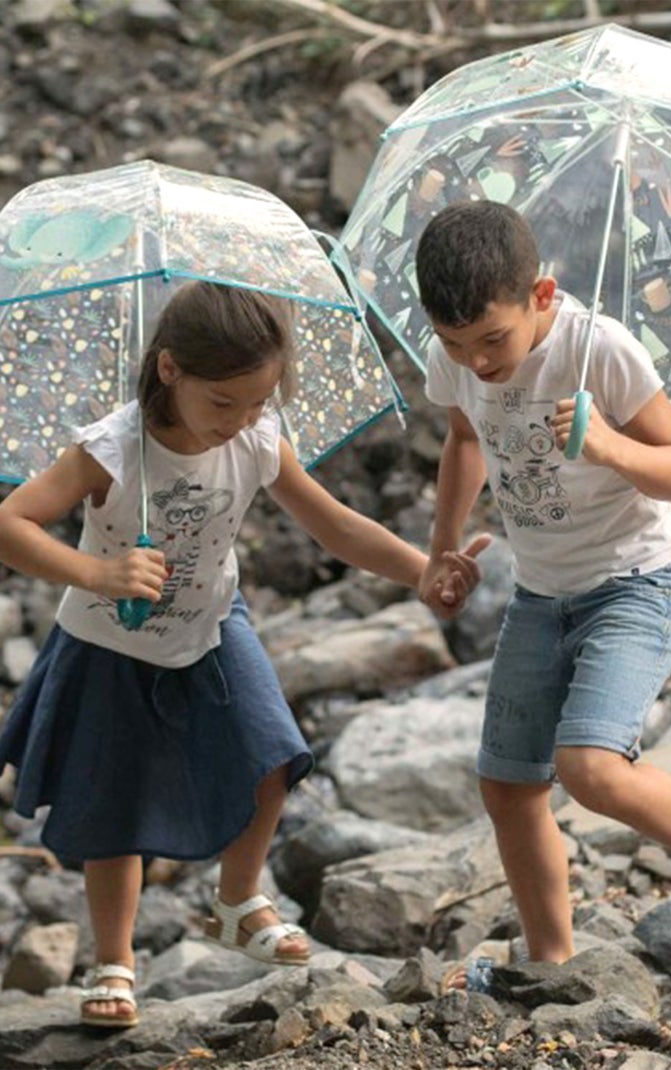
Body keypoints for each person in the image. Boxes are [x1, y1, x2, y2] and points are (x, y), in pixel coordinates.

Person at [0, 280, 487, 1028]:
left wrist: (422, 570)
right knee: (115, 807)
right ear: (170, 371)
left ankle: (236, 899)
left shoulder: (259, 437)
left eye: (258, 403)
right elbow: (12, 524)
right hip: (109, 644)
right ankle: (114, 961)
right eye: (224, 403)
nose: (243, 420)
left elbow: (335, 525)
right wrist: (95, 571)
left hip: (213, 625)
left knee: (272, 753)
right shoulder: (112, 449)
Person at [414, 201, 671, 990]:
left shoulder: (600, 349)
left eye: (493, 342)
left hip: (636, 581)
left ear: (541, 297)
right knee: (508, 786)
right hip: (542, 594)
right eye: (456, 346)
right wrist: (446, 545)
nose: (477, 363)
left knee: (590, 765)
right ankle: (552, 963)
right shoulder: (458, 358)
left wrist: (605, 444)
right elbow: (465, 437)